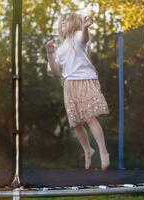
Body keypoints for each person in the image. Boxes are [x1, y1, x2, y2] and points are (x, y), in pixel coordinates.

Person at [46, 12, 110, 170]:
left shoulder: (78, 36)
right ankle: (88, 150)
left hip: (86, 80)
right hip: (69, 85)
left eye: (66, 21)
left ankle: (103, 152)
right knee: (75, 123)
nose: (63, 24)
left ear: (75, 23)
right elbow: (56, 71)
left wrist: (86, 27)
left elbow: (84, 39)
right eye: (61, 22)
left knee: (90, 118)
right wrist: (49, 54)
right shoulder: (59, 49)